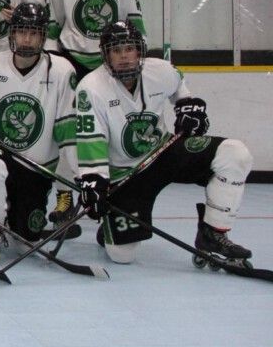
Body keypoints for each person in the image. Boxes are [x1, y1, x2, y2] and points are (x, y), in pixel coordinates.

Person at [75, 22, 253, 266]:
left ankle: (213, 233)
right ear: (106, 55)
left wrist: (188, 107)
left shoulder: (160, 70)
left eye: (129, 48)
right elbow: (91, 139)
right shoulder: (91, 88)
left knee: (235, 154)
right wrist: (94, 179)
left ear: (140, 51)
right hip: (126, 175)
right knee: (122, 256)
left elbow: (180, 88)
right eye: (116, 50)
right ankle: (110, 229)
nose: (124, 56)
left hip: (164, 152)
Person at [0, 2, 79, 266]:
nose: (27, 39)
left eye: (34, 33)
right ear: (11, 33)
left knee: (25, 241)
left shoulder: (62, 71)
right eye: (22, 32)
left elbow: (67, 130)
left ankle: (13, 221)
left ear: (43, 36)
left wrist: (76, 179)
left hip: (37, 168)